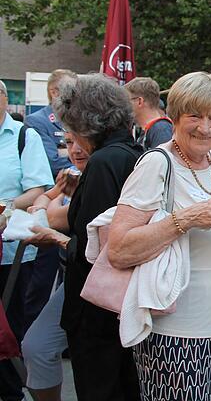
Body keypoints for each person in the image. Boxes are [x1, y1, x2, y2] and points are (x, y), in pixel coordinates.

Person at [104, 72, 211, 400]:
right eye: (194, 116)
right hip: (179, 328)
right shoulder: (157, 163)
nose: (205, 127)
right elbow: (120, 249)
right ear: (175, 117)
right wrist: (183, 219)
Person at [26, 74, 142, 400]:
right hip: (118, 304)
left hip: (97, 309)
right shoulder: (129, 152)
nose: (71, 138)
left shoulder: (105, 160)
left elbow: (96, 248)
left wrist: (57, 239)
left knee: (102, 386)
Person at [23, 131, 89, 401]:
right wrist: (55, 193)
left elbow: (46, 218)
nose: (75, 149)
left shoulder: (104, 172)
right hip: (75, 280)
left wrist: (51, 197)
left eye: (82, 141)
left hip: (96, 283)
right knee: (36, 346)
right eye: (69, 142)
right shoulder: (75, 175)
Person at [0, 78, 54, 401]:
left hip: (11, 252)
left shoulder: (24, 136)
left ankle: (11, 392)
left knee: (9, 329)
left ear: (4, 100)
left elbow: (39, 188)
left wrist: (8, 207)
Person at [24, 69, 77, 177]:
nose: (76, 95)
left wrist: (64, 153)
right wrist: (83, 166)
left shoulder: (79, 120)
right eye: (71, 90)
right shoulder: (37, 121)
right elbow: (52, 164)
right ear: (54, 92)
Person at [125, 77, 173, 150]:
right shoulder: (152, 130)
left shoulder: (161, 129)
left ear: (140, 101)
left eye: (127, 101)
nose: (125, 105)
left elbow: (162, 160)